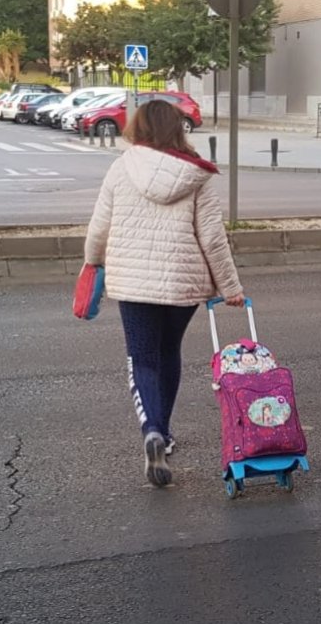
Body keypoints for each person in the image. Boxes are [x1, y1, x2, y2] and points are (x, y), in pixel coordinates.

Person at [84, 99, 245, 488]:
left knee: (142, 358)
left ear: (137, 128)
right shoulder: (197, 175)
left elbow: (99, 227)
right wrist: (231, 287)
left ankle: (153, 430)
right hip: (181, 282)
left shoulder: (120, 168)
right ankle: (164, 433)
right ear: (178, 130)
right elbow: (212, 238)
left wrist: (92, 262)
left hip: (134, 282)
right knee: (169, 351)